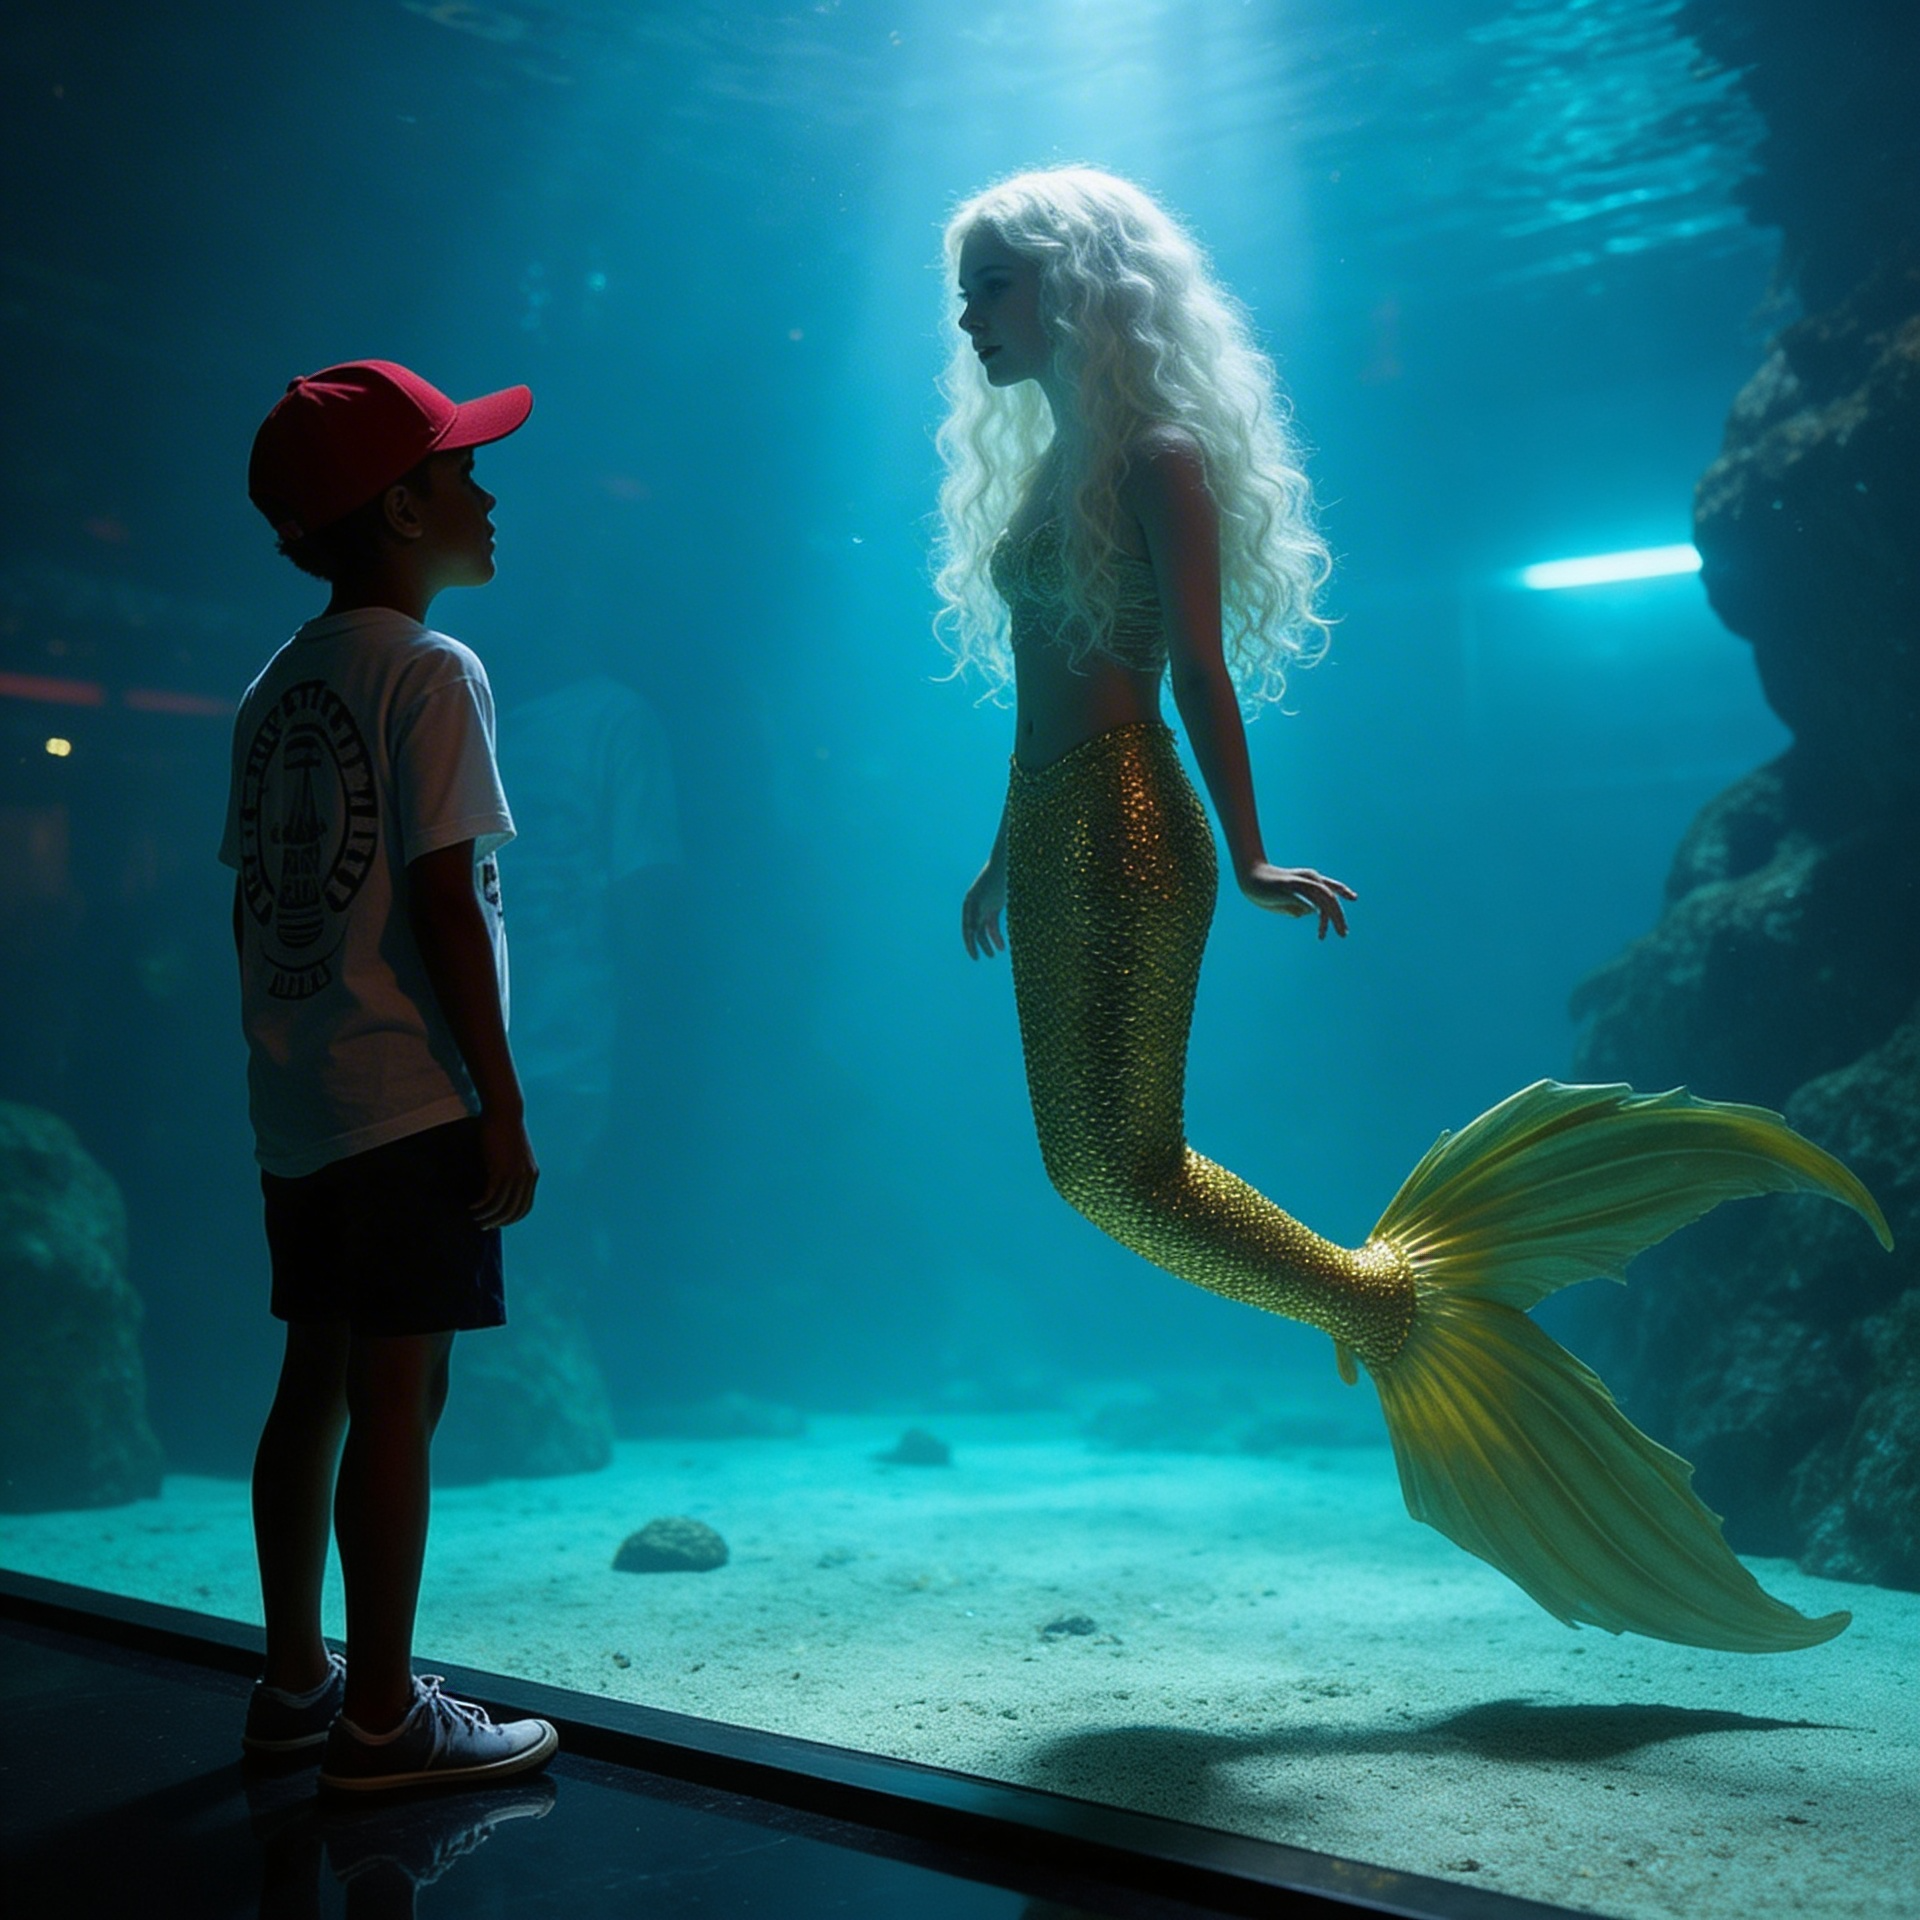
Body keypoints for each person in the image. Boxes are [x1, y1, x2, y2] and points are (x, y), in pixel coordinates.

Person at [936, 167, 1892, 1653]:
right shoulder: (1053, 473)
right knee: (1092, 1171)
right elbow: (1036, 695)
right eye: (964, 286)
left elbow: (1196, 677)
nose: (969, 313)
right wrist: (1002, 848)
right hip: (1057, 828)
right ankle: (1371, 1305)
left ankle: (1382, 1306)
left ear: (1072, 281)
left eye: (991, 280)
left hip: (1130, 826)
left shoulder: (1159, 458)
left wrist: (1250, 855)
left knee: (1119, 1169)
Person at [224, 360, 558, 1790]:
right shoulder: (433, 671)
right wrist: (501, 1097)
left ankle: (294, 1683)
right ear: (400, 504)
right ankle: (381, 1720)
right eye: (461, 469)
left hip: (304, 1099)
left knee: (314, 1377)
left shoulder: (277, 685)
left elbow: (257, 901)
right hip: (412, 1094)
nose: (487, 492)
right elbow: (438, 899)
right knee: (402, 1396)